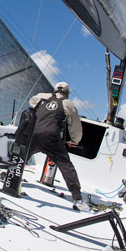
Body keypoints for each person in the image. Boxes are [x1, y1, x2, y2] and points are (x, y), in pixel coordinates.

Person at [27, 81, 89, 211]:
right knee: (65, 165)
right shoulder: (67, 103)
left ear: (55, 90)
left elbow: (31, 102)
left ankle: (9, 174)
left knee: (23, 155)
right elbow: (75, 126)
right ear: (67, 93)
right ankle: (77, 199)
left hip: (34, 133)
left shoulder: (43, 96)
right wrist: (75, 140)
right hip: (51, 138)